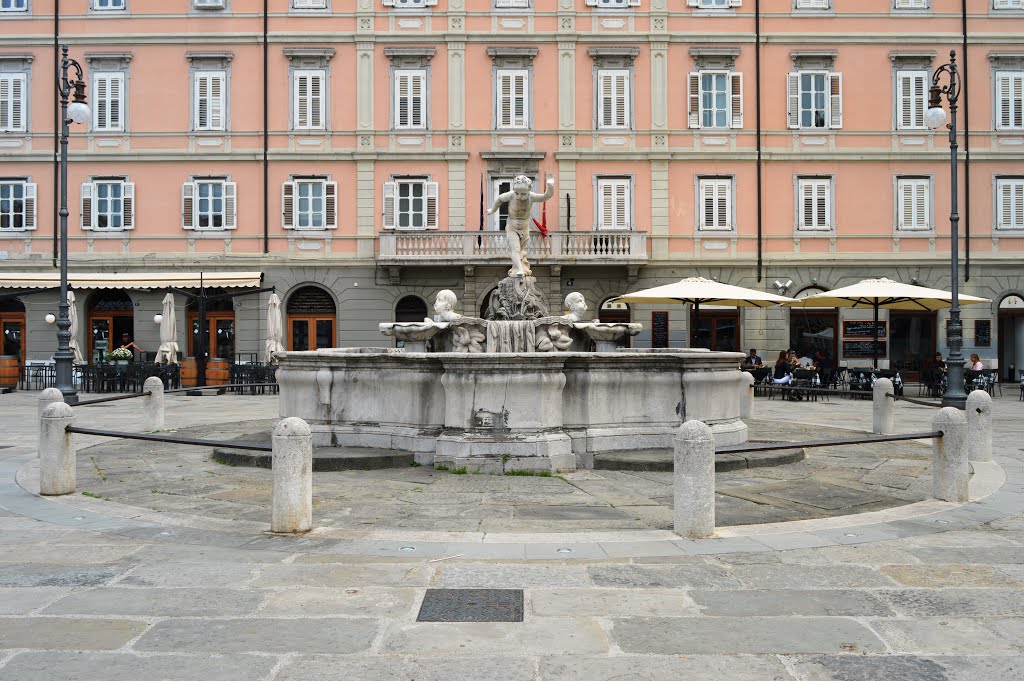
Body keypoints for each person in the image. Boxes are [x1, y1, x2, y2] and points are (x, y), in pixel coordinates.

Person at [487, 173, 555, 278]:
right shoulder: (511, 195)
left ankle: (521, 267)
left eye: (523, 194)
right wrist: (493, 210)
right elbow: (499, 199)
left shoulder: (531, 197)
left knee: (522, 251)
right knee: (516, 249)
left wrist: (550, 185)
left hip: (525, 227)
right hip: (512, 227)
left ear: (529, 191)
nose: (519, 196)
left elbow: (546, 196)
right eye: (517, 193)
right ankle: (519, 270)